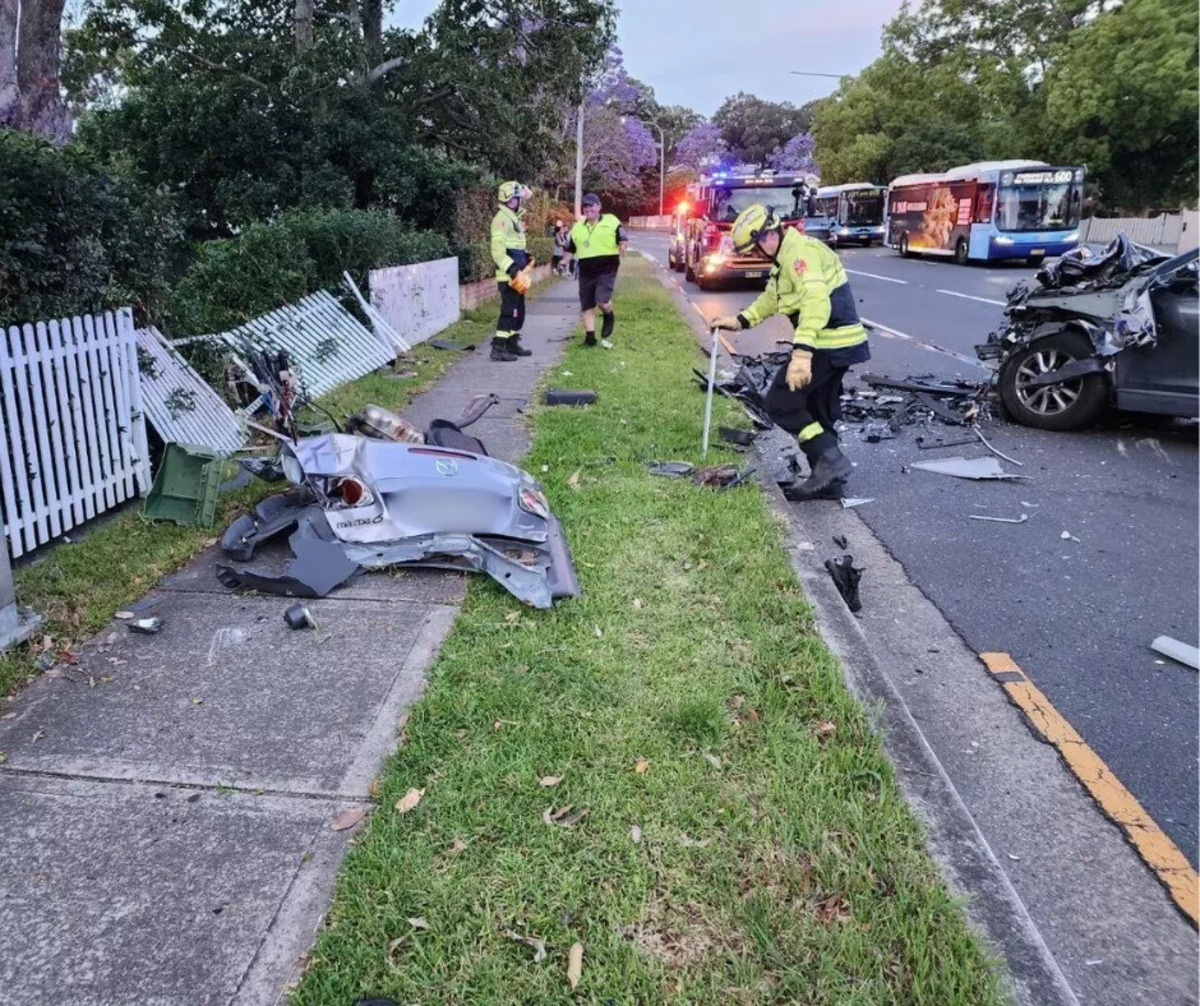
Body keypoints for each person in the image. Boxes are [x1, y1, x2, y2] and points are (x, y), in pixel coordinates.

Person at [710, 203, 869, 501]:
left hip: (830, 342)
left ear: (767, 236)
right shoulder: (785, 258)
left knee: (781, 401)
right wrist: (739, 321)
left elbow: (816, 302)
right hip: (836, 342)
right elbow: (772, 298)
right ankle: (828, 482)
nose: (755, 256)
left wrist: (802, 354)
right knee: (818, 408)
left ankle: (831, 462)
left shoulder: (800, 255)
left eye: (754, 249)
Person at [563, 193, 628, 347]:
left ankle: (608, 314)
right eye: (585, 206)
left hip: (607, 267)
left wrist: (622, 246)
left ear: (599, 206)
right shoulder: (578, 227)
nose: (588, 209)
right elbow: (570, 248)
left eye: (591, 205)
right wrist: (564, 261)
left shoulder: (611, 221)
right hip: (586, 269)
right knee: (587, 304)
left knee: (601, 300)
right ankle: (590, 338)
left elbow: (623, 238)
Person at [490, 180, 535, 362]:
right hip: (508, 275)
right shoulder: (501, 220)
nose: (516, 202)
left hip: (517, 275)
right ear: (506, 200)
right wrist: (513, 269)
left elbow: (514, 246)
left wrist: (526, 256)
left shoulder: (513, 218)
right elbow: (498, 251)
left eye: (517, 199)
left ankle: (512, 343)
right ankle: (498, 348)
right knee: (509, 311)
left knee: (518, 311)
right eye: (513, 200)